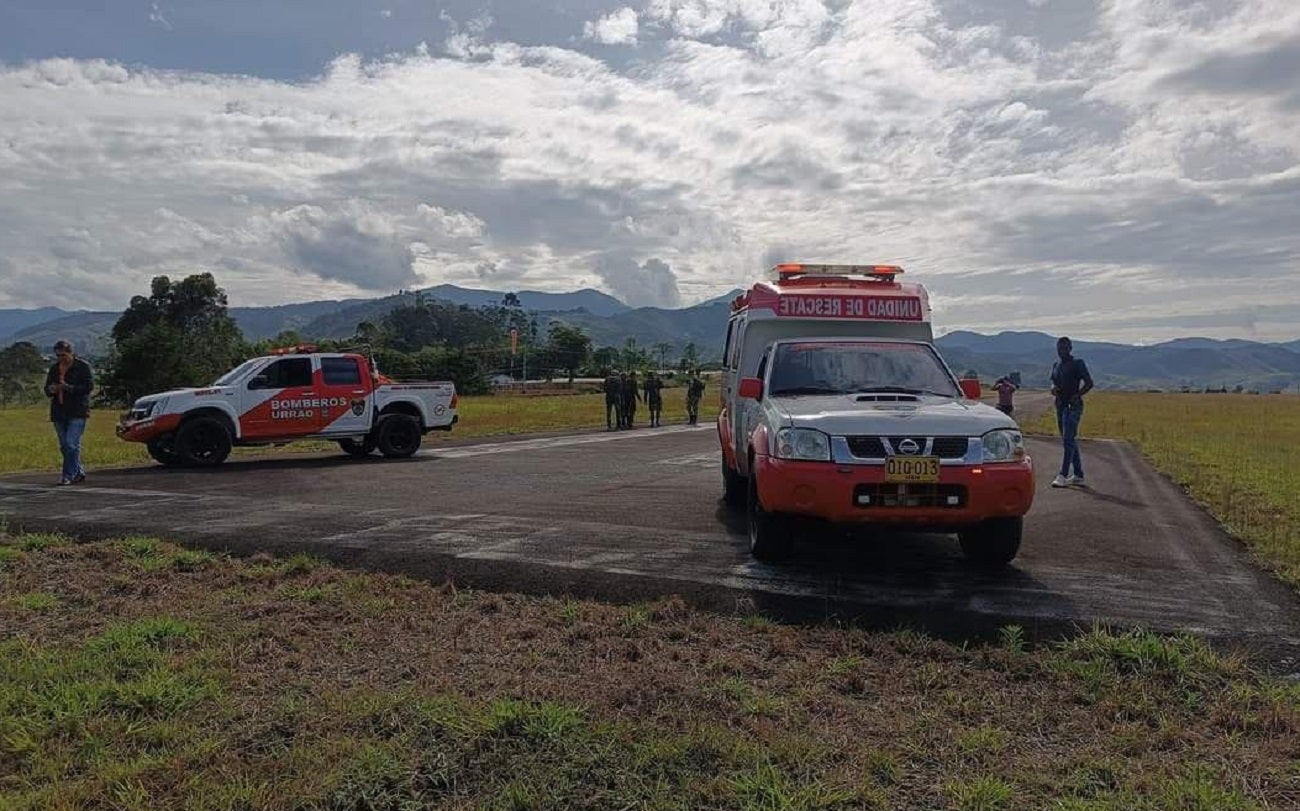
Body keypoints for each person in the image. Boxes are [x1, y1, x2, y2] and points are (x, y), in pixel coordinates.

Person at [44, 339, 94, 486]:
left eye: (63, 355)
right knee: (65, 446)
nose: (61, 359)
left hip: (77, 410)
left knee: (71, 443)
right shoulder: (54, 369)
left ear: (71, 353)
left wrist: (68, 388)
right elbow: (47, 388)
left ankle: (68, 475)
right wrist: (51, 389)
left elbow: (88, 387)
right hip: (59, 411)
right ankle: (78, 471)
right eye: (58, 356)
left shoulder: (83, 367)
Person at [1050, 337, 1093, 488]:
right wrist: (1053, 389)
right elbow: (1054, 382)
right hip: (1060, 405)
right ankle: (1078, 474)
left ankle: (1063, 474)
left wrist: (1078, 394)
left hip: (1073, 405)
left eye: (1064, 348)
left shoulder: (1077, 363)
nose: (1062, 351)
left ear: (1070, 348)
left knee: (1068, 438)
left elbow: (1089, 383)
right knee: (1068, 440)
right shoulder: (1056, 365)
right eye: (1059, 348)